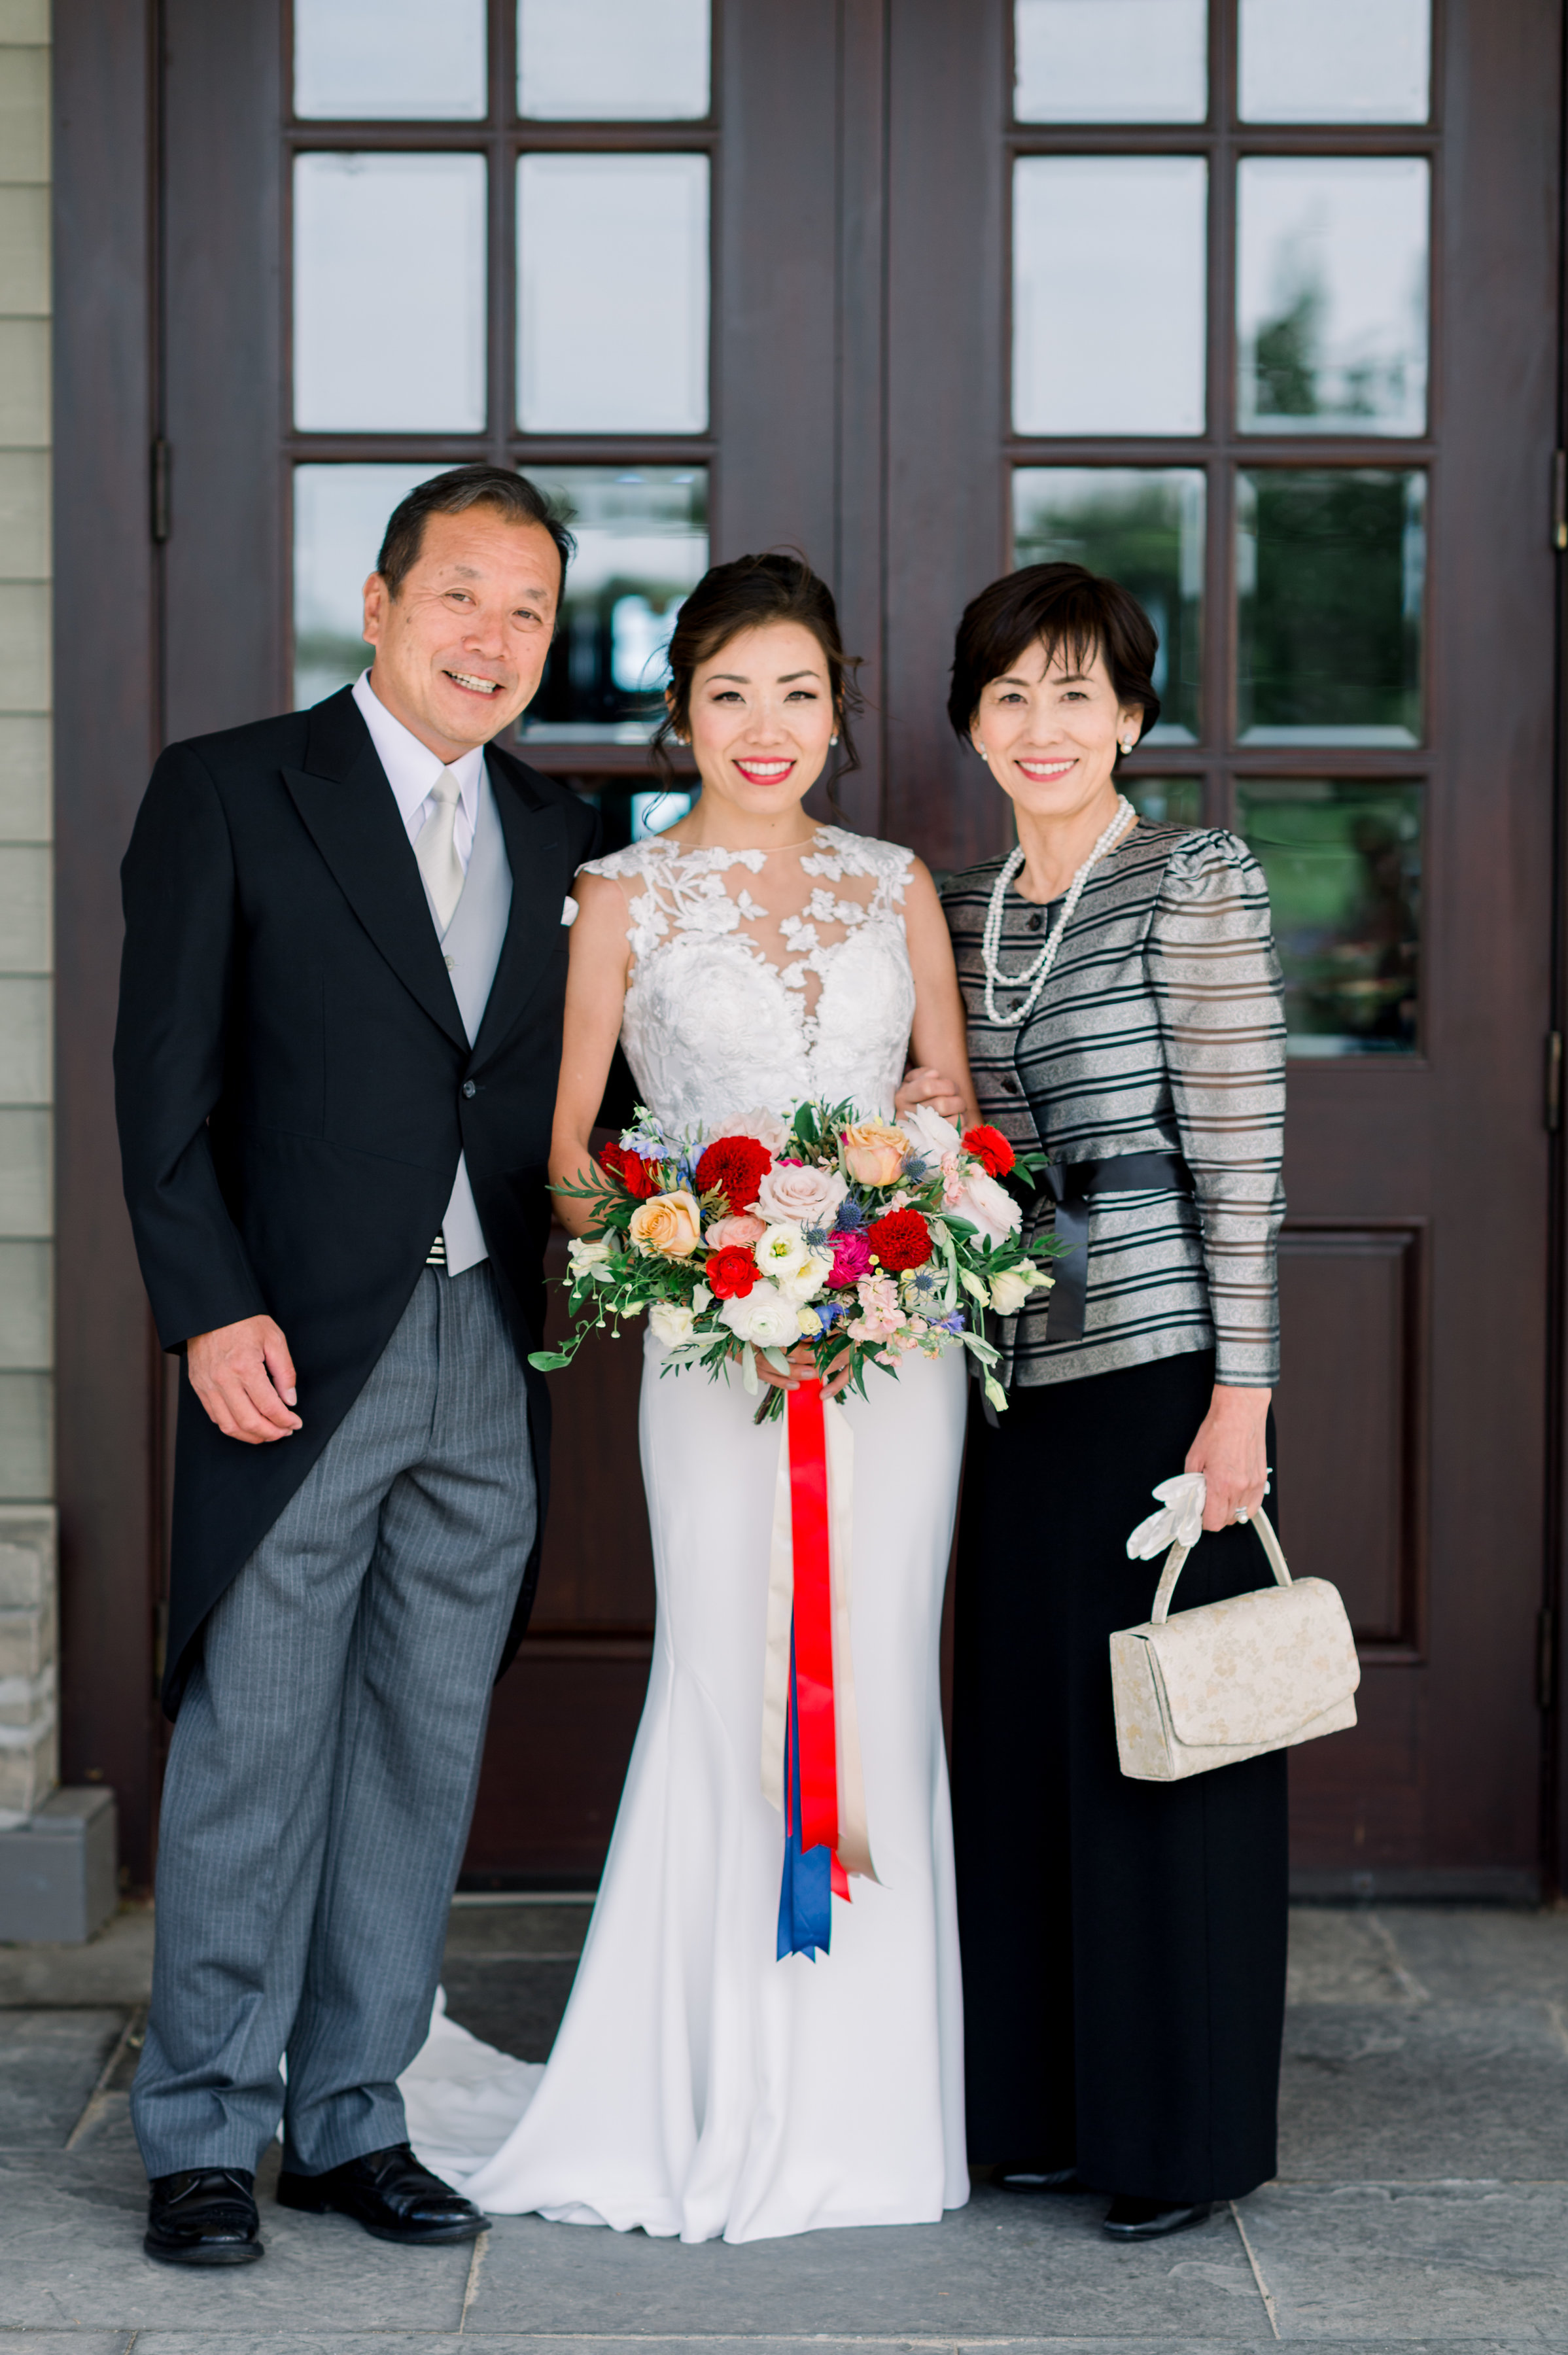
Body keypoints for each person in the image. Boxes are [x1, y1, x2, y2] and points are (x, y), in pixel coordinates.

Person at [401, 553, 979, 2242]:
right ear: (682, 710)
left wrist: (890, 1224)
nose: (763, 727)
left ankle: (873, 2113)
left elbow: (941, 1100)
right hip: (710, 1357)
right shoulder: (621, 898)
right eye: (729, 694)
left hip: (895, 1350)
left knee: (872, 1673)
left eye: (796, 694)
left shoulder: (893, 889)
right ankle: (697, 2089)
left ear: (836, 712)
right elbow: (568, 1156)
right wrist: (709, 1260)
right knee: (731, 1675)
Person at [113, 465, 599, 2265]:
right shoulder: (233, 791)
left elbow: (570, 1097)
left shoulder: (561, 835)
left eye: (528, 611)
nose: (494, 637)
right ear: (381, 603)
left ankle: (349, 2116)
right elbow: (160, 1085)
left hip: (489, 1345)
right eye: (462, 594)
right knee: (255, 1738)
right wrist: (204, 1304)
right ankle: (201, 2133)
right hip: (294, 1352)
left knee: (418, 1740)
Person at [939, 563, 1287, 2242]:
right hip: (1007, 1372)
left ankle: (1175, 2137)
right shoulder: (961, 904)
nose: (1041, 725)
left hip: (1160, 1366)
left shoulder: (1190, 878)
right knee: (1031, 1739)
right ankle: (1037, 2108)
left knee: (1172, 1742)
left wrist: (1246, 1395)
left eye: (1075, 693)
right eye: (1009, 695)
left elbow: (1241, 1140)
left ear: (1131, 716)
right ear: (971, 724)